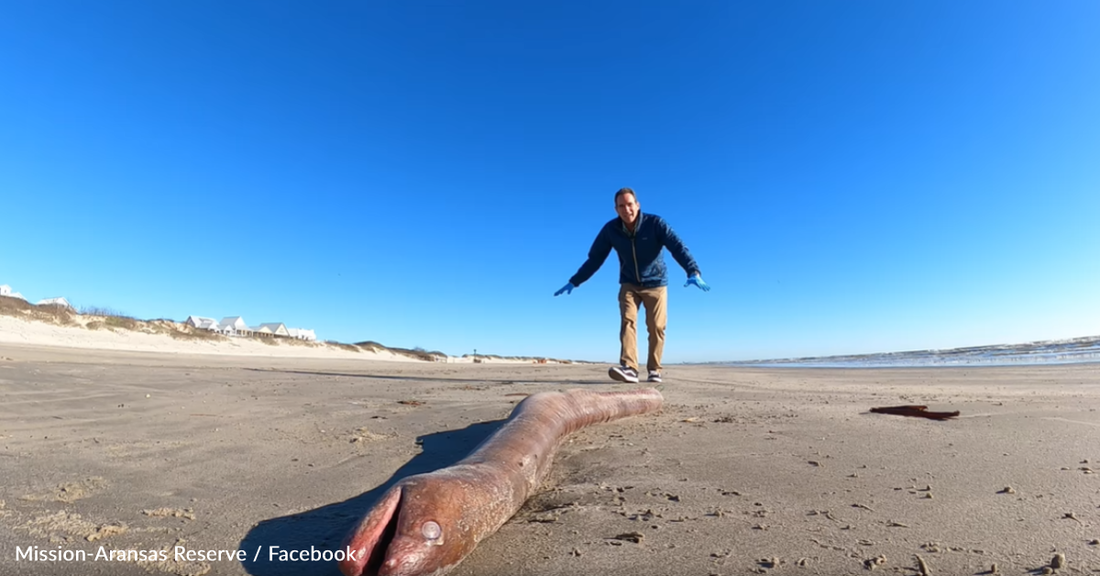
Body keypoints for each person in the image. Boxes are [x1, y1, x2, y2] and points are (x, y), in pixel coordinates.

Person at [554, 187, 710, 383]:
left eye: (629, 204)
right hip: (629, 283)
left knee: (656, 327)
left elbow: (678, 247)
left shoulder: (655, 224)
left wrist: (692, 271)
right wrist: (575, 281)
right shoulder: (611, 230)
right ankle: (629, 368)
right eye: (621, 206)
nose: (626, 209)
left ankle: (654, 370)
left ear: (637, 205)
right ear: (616, 209)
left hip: (656, 283)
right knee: (628, 321)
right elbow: (595, 259)